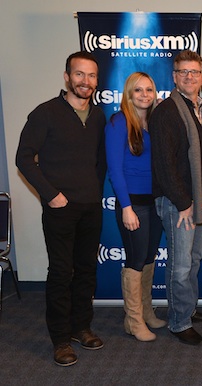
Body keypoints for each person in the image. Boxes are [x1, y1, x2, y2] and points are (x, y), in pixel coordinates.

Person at [15, 51, 106, 366]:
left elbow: (100, 162)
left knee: (86, 270)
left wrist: (94, 191)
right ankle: (60, 340)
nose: (86, 81)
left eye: (91, 76)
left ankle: (82, 327)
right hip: (60, 209)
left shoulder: (97, 116)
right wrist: (51, 194)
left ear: (97, 80)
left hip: (91, 207)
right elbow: (24, 158)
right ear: (67, 76)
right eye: (79, 74)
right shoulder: (46, 113)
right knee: (60, 273)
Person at [149, 50, 202, 346]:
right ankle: (179, 322)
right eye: (183, 72)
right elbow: (164, 164)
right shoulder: (166, 111)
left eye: (194, 72)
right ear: (174, 77)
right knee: (180, 265)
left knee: (193, 259)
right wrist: (184, 203)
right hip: (178, 203)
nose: (189, 77)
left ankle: (187, 309)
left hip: (198, 200)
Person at [105, 72, 166, 342]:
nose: (144, 95)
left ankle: (146, 312)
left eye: (149, 90)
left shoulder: (156, 121)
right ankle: (133, 320)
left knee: (150, 257)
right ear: (129, 94)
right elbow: (115, 170)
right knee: (136, 259)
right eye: (138, 90)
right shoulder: (119, 123)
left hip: (155, 202)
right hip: (133, 204)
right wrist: (126, 207)